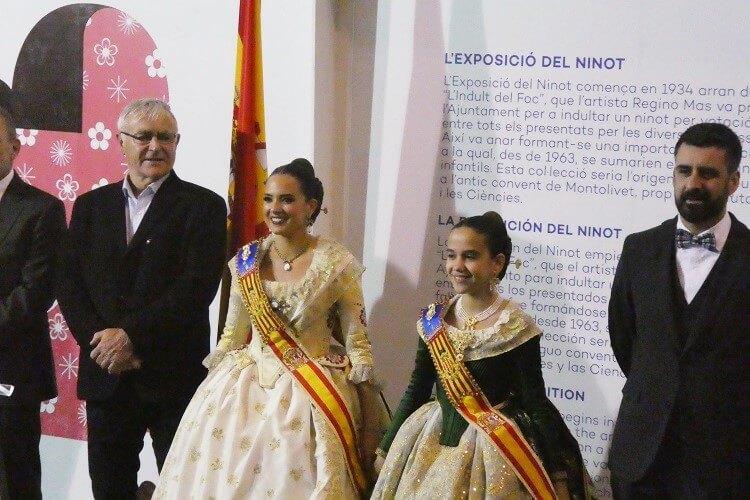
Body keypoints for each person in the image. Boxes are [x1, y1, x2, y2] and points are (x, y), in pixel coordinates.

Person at [154, 158, 386, 499]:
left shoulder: (336, 263)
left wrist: (364, 391)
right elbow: (232, 336)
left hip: (313, 385)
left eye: (287, 200)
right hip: (246, 384)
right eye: (269, 199)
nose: (275, 208)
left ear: (312, 206)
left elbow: (357, 339)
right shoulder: (247, 260)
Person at [57, 98, 227, 498]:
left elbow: (196, 288)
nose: (155, 146)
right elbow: (69, 283)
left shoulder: (203, 207)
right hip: (107, 377)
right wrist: (102, 344)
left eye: (165, 137)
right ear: (121, 142)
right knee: (109, 488)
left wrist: (129, 337)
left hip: (172, 376)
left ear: (178, 142)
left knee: (183, 488)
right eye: (144, 136)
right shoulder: (90, 206)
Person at [372, 212, 590, 499]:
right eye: (452, 256)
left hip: (495, 452)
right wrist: (386, 448)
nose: (457, 266)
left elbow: (535, 402)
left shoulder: (515, 326)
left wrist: (557, 476)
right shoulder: (433, 321)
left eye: (470, 256)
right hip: (429, 441)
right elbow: (417, 389)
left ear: (496, 263)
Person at [608, 122, 750, 498]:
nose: (693, 183)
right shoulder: (638, 249)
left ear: (733, 181)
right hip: (640, 455)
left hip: (726, 463)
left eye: (708, 173)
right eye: (684, 170)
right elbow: (624, 338)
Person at [0, 82, 66, 499]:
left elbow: (35, 293)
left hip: (12, 372)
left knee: (14, 483)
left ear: (15, 146)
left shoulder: (42, 209)